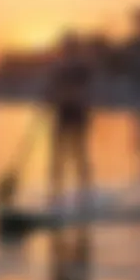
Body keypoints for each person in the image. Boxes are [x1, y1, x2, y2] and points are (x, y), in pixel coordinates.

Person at [45, 30, 92, 210]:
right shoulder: (58, 68)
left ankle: (84, 195)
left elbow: (83, 87)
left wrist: (63, 93)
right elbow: (51, 90)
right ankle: (56, 195)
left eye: (68, 47)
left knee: (78, 153)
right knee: (59, 155)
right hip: (62, 113)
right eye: (65, 47)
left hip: (76, 113)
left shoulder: (81, 68)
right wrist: (49, 97)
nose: (65, 50)